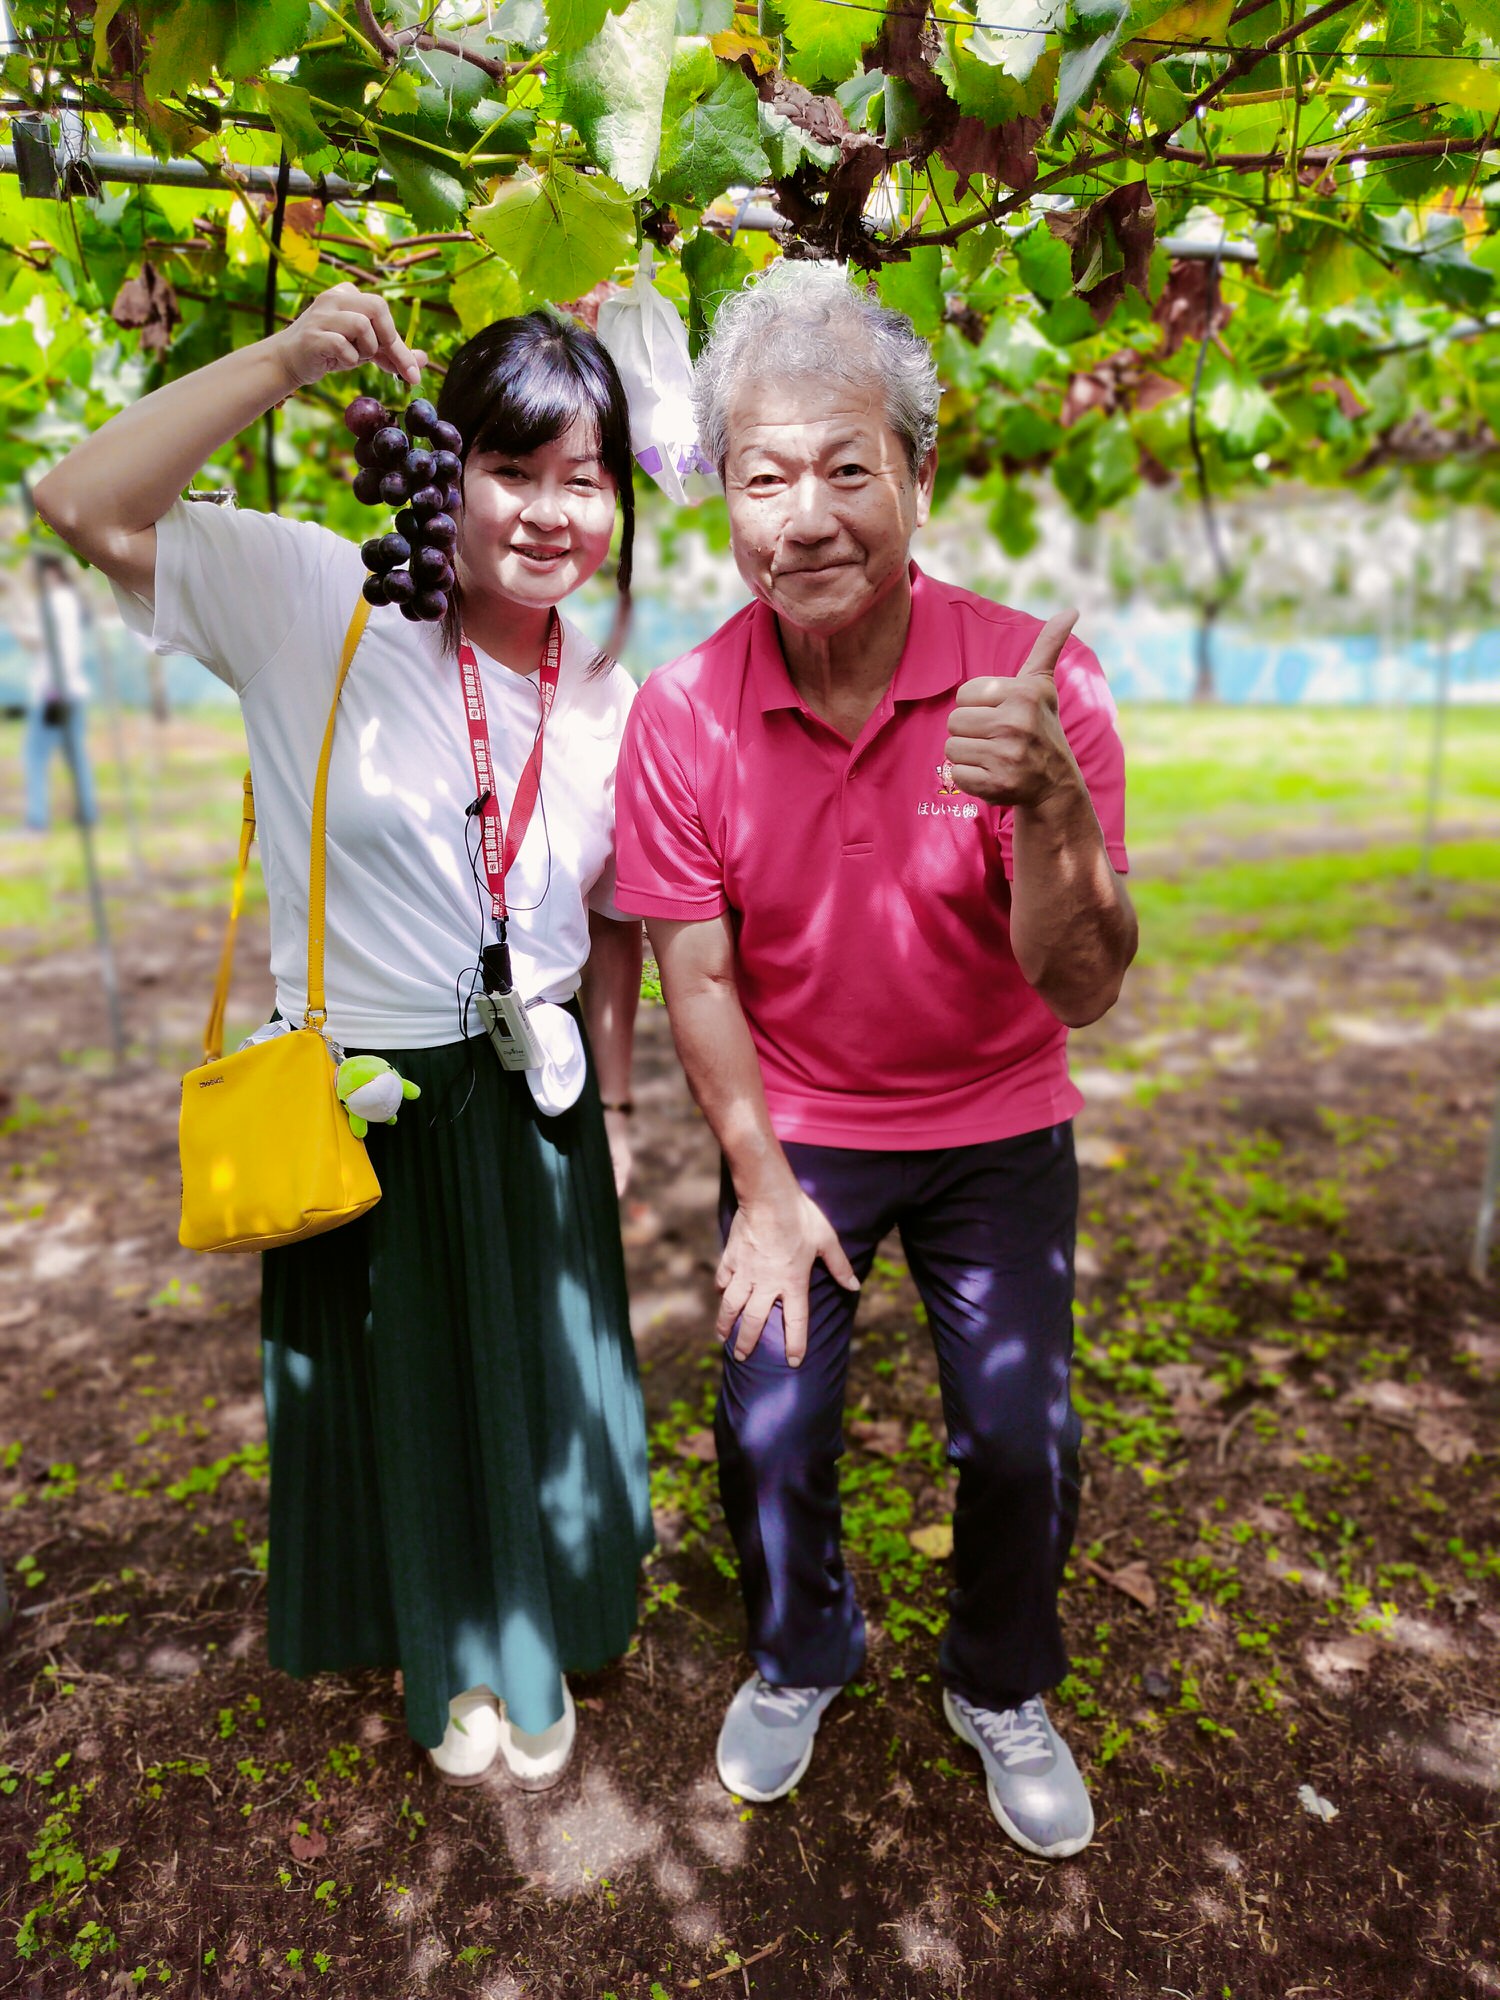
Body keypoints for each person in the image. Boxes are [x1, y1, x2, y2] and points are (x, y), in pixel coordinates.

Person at [35, 283, 654, 1789]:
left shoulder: (612, 693)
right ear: (452, 471)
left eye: (587, 479)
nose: (551, 514)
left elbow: (616, 919)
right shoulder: (323, 597)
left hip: (537, 1091)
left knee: (543, 1380)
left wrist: (616, 1118)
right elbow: (77, 499)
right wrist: (284, 359)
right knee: (408, 1379)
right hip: (367, 1088)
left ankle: (538, 1635)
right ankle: (450, 1654)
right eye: (515, 470)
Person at [612, 262, 1136, 1861]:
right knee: (768, 1424)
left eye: (850, 466)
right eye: (766, 477)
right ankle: (804, 1648)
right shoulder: (686, 710)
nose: (809, 514)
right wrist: (760, 1190)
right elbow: (695, 973)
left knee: (1018, 1430)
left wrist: (1048, 805)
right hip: (802, 1127)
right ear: (727, 504)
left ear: (920, 472)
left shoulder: (1031, 691)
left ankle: (1000, 1682)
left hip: (993, 1123)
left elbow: (1086, 984)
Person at [21, 551, 98, 831]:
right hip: (71, 690)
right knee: (75, 754)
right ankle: (88, 814)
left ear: (49, 572)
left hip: (54, 692)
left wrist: (54, 690)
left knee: (34, 756)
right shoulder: (67, 601)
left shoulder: (53, 603)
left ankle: (36, 821)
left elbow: (55, 649)